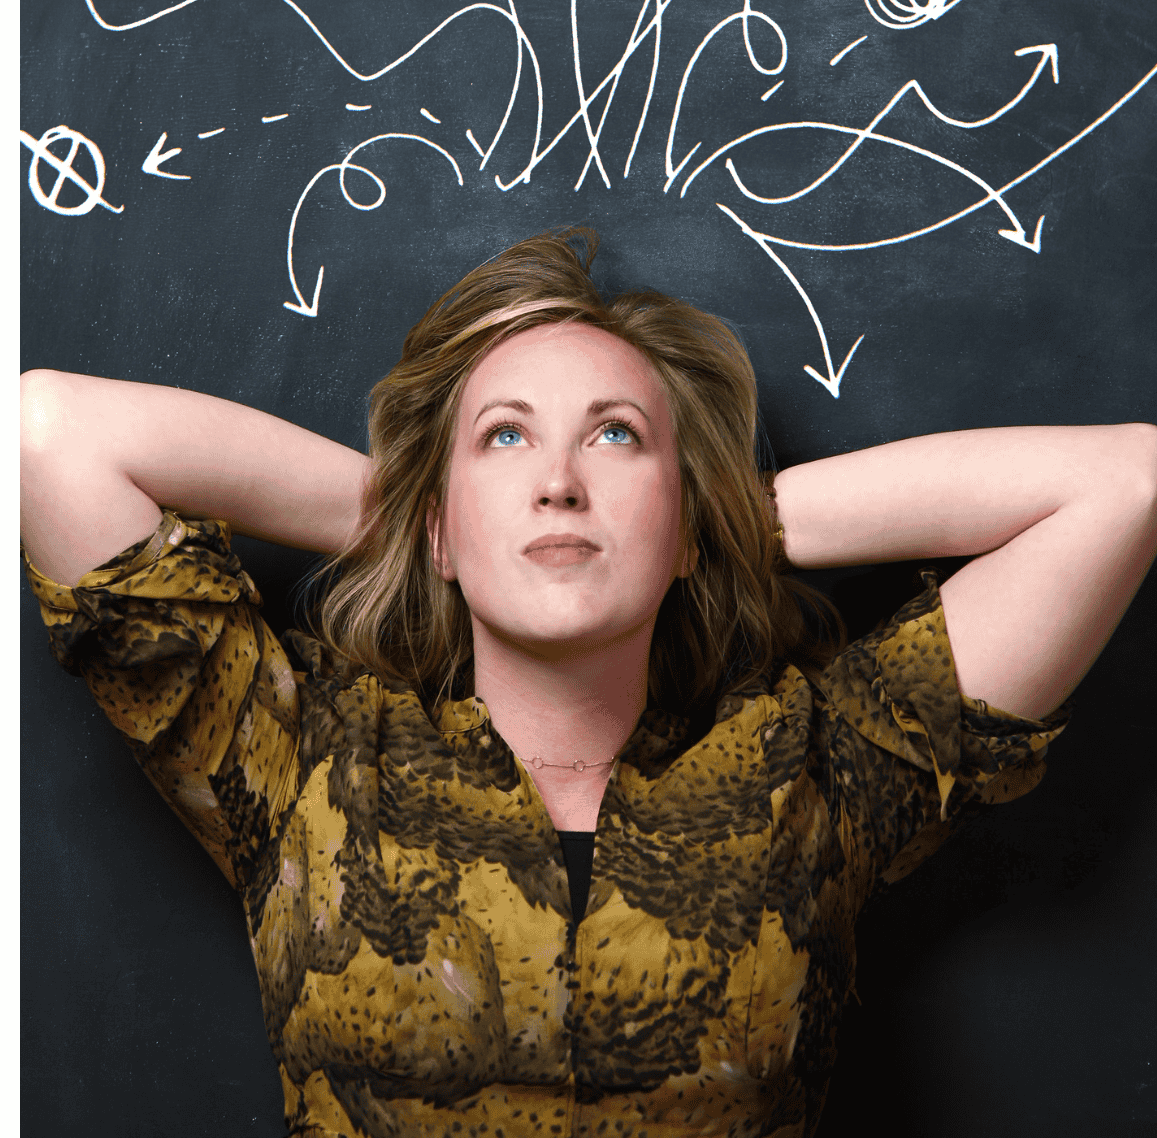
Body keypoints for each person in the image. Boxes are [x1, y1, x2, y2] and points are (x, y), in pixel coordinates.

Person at [20, 226, 1157, 1138]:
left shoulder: (814, 769)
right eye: (504, 440)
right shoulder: (298, 756)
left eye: (614, 436)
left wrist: (705, 521)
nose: (559, 481)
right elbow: (49, 430)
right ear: (439, 522)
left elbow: (1121, 481)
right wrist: (424, 522)